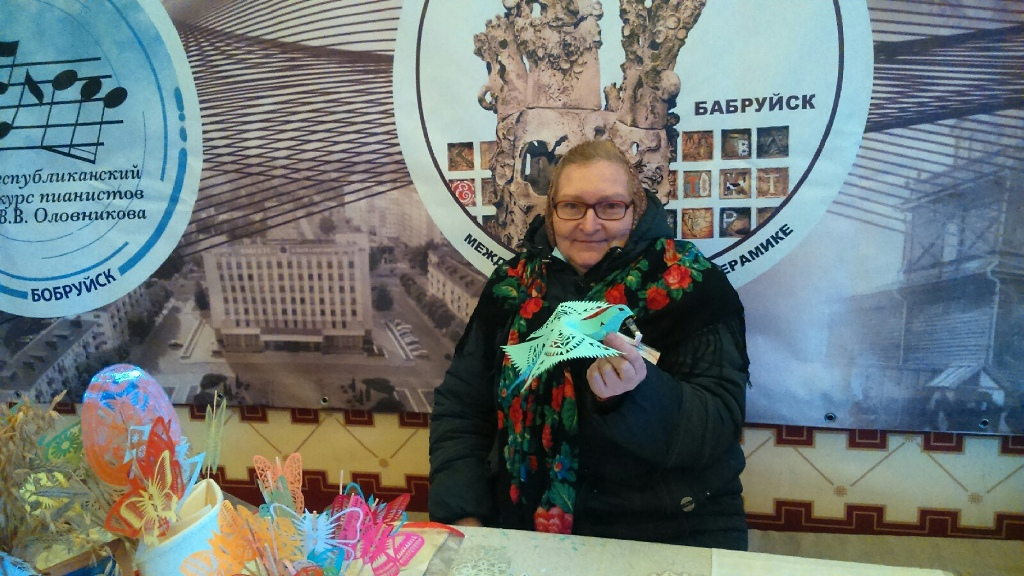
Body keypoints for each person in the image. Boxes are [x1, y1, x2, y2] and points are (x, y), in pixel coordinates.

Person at [429, 139, 750, 550]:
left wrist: (633, 395)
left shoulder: (691, 284)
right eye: (572, 206)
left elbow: (718, 423)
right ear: (551, 211)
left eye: (610, 207)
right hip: (523, 535)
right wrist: (463, 515)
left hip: (671, 535)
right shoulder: (513, 285)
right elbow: (462, 407)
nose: (589, 224)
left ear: (635, 208)